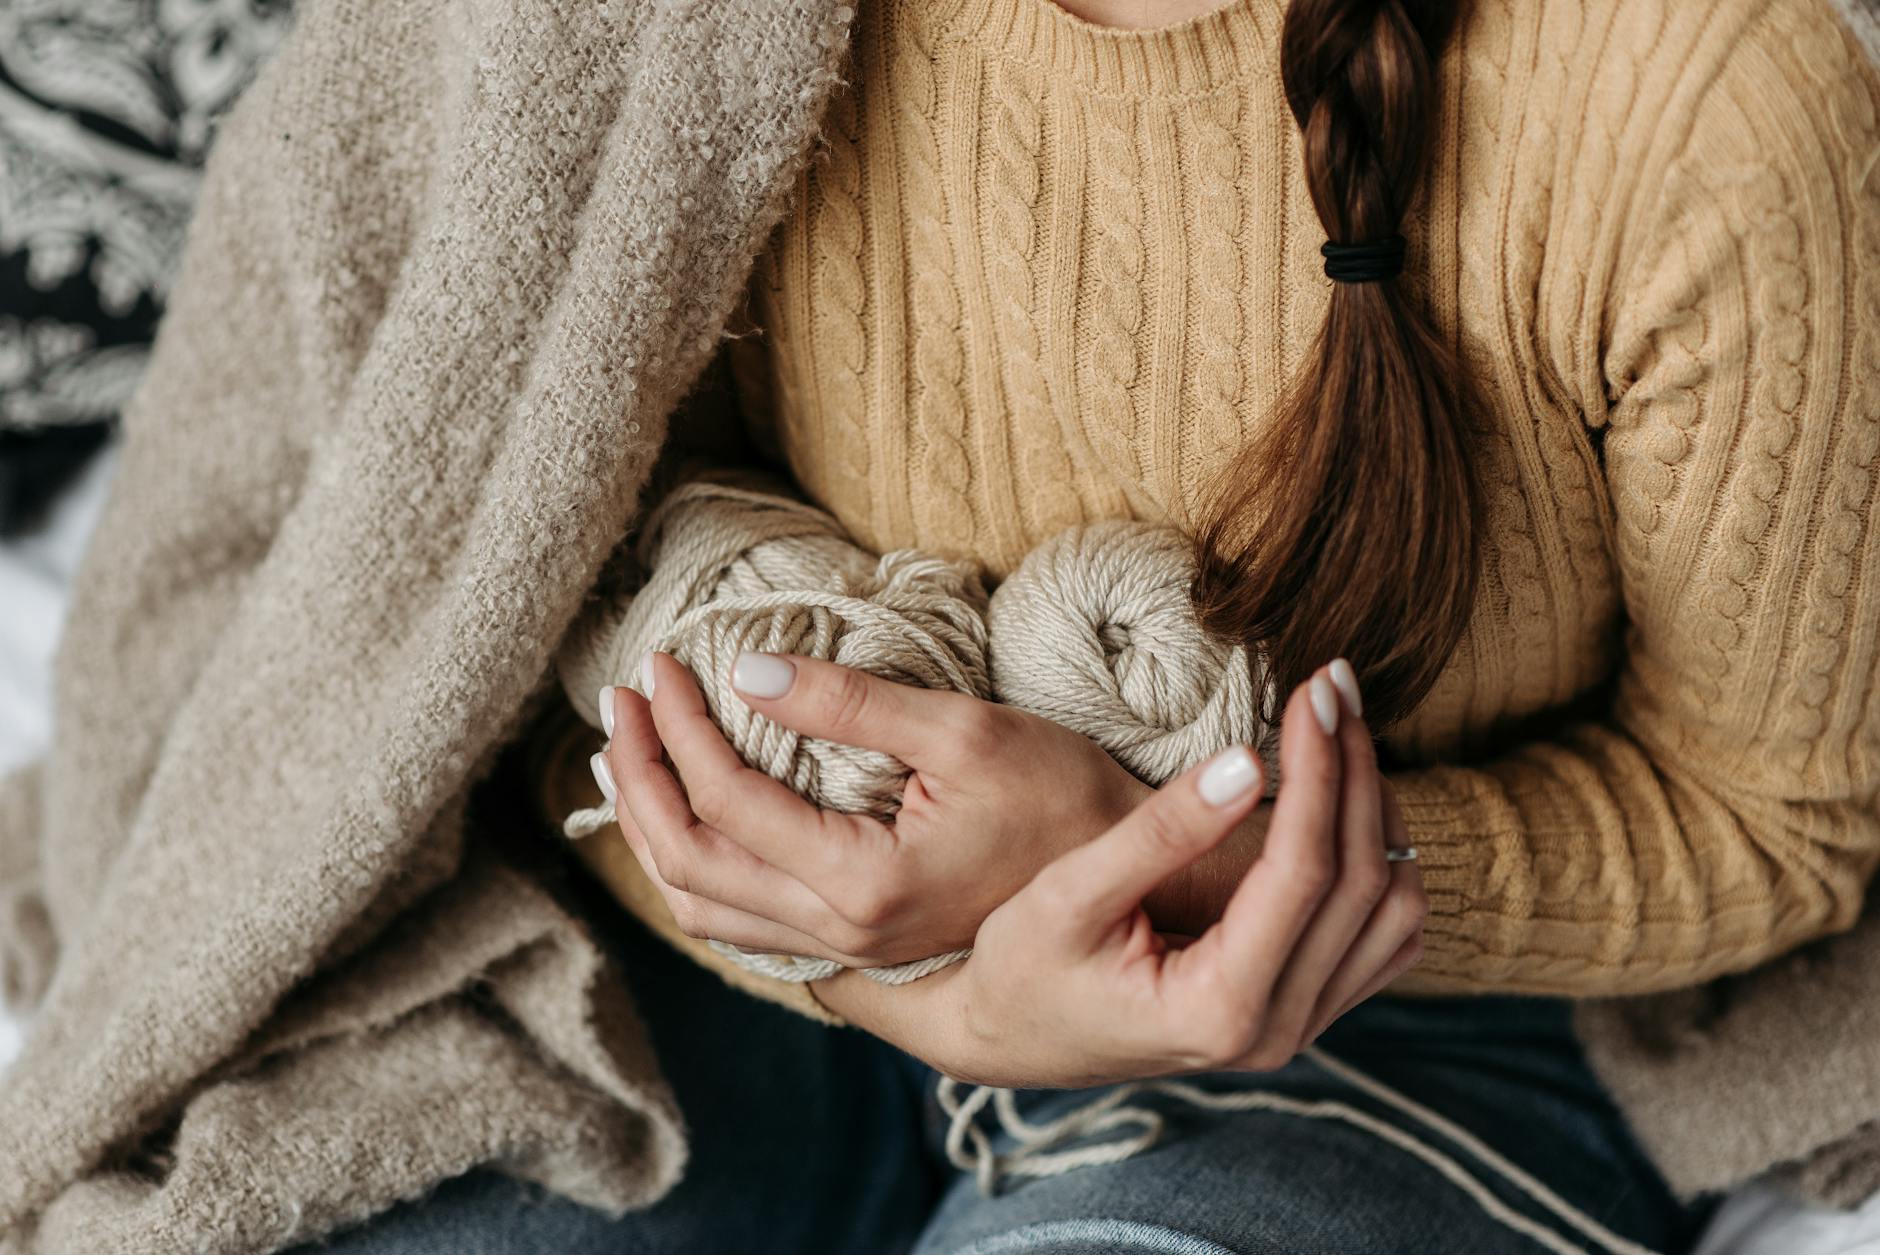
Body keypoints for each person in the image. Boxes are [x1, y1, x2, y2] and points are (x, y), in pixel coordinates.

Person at [309, 0, 1880, 1249]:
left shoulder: (1703, 103)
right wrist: (919, 988)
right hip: (717, 950)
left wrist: (1191, 863)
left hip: (1418, 1024)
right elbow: (479, 596)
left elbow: (1777, 815)